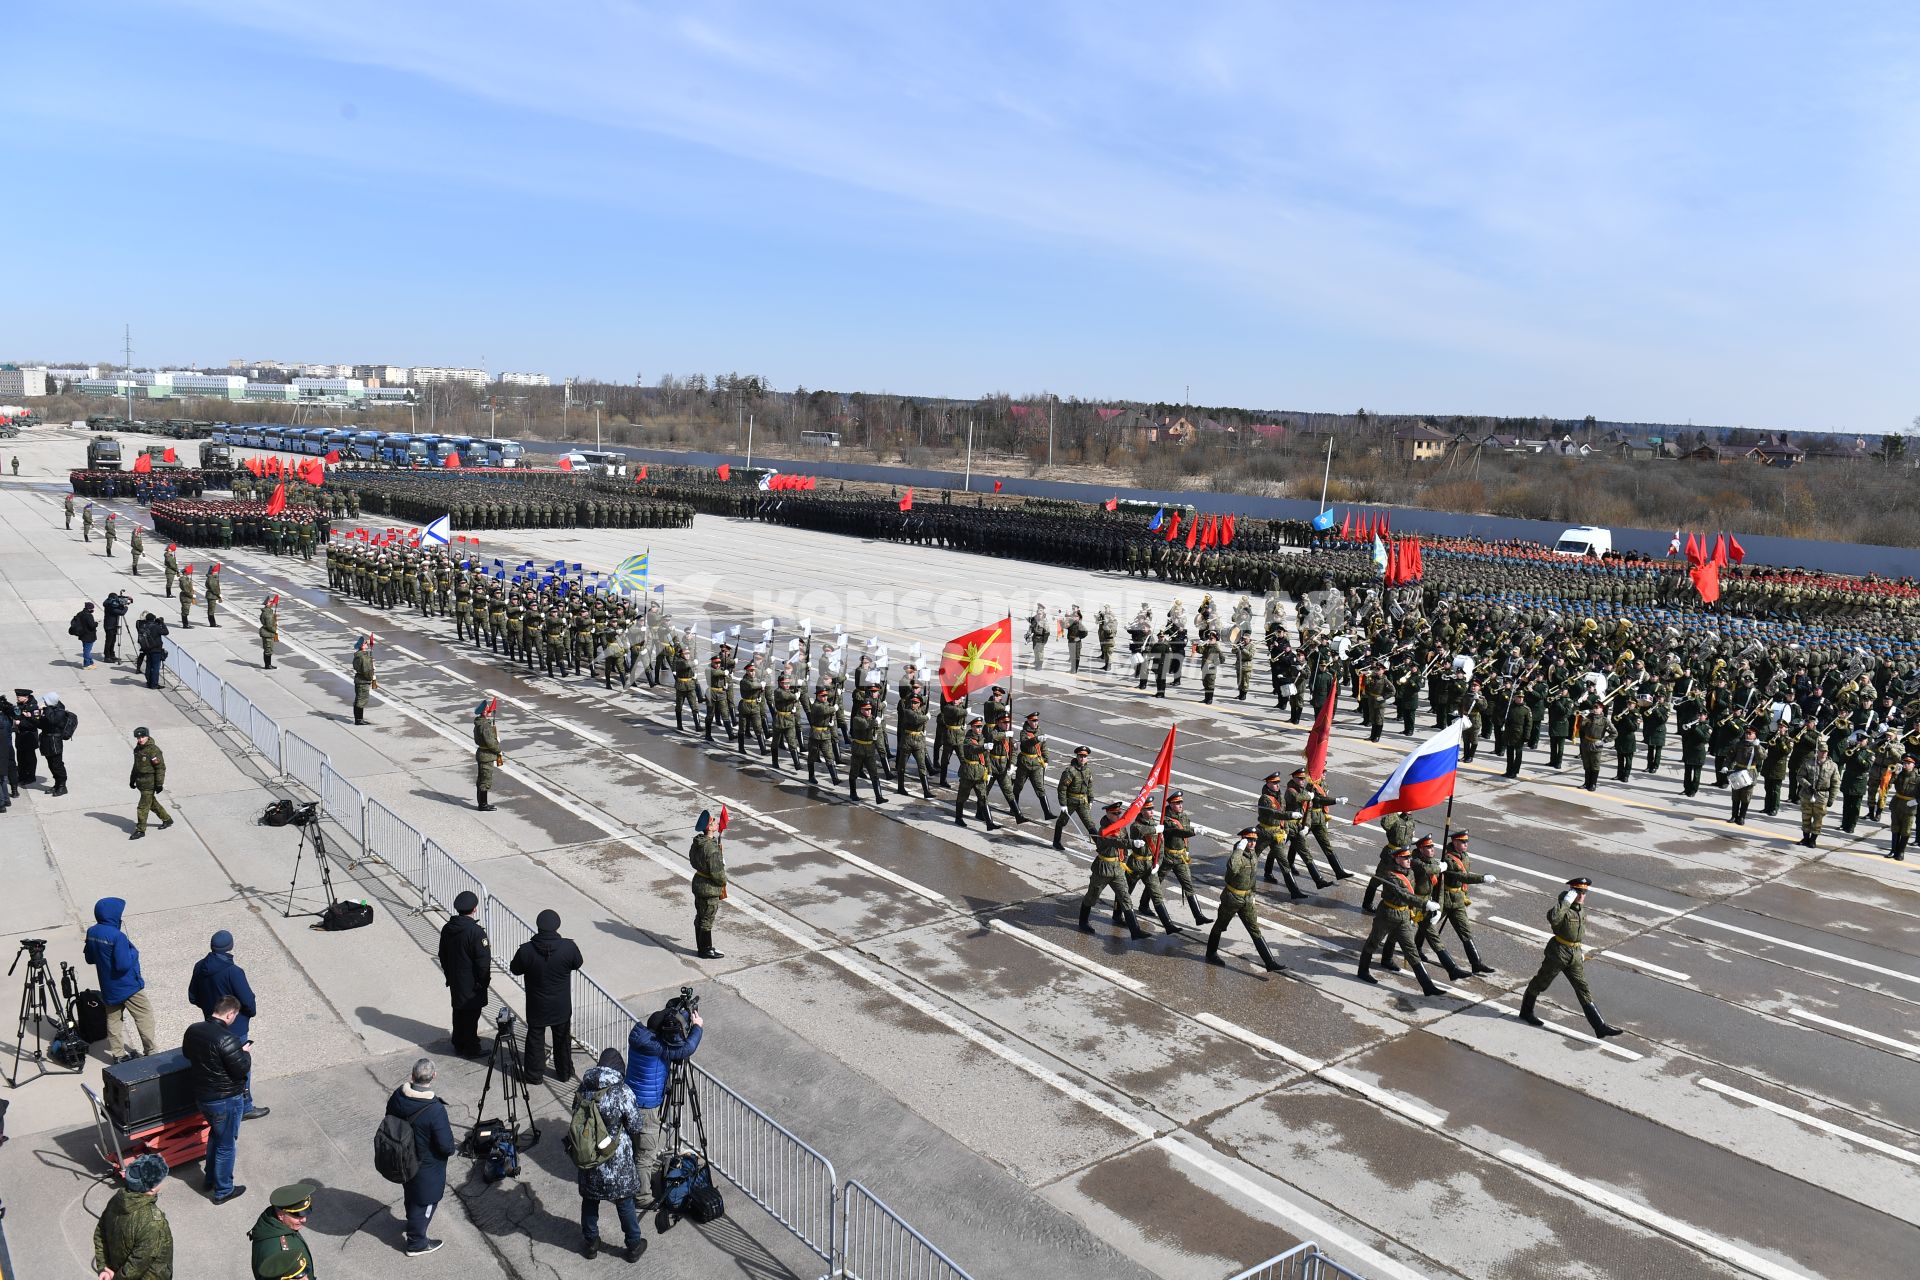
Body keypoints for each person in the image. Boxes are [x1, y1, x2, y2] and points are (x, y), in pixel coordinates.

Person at [625, 996, 705, 1212]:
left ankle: (631, 1179)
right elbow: (686, 1049)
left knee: (634, 1146)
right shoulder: (660, 1048)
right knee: (645, 1155)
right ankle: (642, 1197)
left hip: (629, 1099)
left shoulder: (640, 1036)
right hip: (646, 1106)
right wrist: (697, 1028)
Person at [1518, 877, 1623, 1039]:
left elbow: (1577, 933)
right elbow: (1553, 918)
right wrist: (1566, 901)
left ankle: (1600, 1026)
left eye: (1585, 892)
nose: (1582, 895)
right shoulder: (1562, 908)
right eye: (1579, 891)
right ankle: (1526, 1012)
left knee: (1583, 988)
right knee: (1541, 982)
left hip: (1574, 954)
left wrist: (1579, 949)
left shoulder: (1581, 910)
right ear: (1571, 892)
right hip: (1558, 952)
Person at [572, 1050, 649, 1262]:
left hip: (590, 1157)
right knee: (624, 1202)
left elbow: (576, 1116)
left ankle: (591, 1243)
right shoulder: (622, 1092)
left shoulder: (583, 1088)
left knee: (590, 1200)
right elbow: (635, 1125)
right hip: (616, 1158)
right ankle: (633, 1245)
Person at [188, 931, 267, 1120]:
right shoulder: (233, 971)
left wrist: (209, 1010)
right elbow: (248, 1000)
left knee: (218, 1066)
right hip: (236, 1028)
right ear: (230, 947)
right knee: (241, 1066)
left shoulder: (200, 966)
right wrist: (247, 1014)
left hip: (212, 1025)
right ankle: (245, 1106)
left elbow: (193, 997)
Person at [183, 994, 251, 1204]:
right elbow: (242, 1068)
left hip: (203, 1098)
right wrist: (245, 1053)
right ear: (230, 1013)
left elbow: (187, 1053)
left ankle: (210, 1178)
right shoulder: (227, 1039)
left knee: (216, 1135)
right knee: (226, 1145)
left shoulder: (194, 1030)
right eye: (235, 1016)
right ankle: (223, 1190)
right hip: (225, 1100)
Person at [385, 1059, 455, 1256]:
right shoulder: (435, 1109)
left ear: (412, 1076)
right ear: (434, 1076)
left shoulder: (398, 1096)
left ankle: (412, 1222)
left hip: (401, 1157)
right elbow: (446, 1146)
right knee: (426, 1202)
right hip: (425, 1165)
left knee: (411, 1193)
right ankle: (416, 1243)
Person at [510, 908, 583, 1082]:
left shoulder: (527, 950)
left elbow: (515, 968)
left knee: (535, 1040)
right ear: (557, 926)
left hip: (537, 1005)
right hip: (561, 1005)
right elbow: (577, 963)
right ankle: (564, 1073)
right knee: (562, 1039)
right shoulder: (568, 947)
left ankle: (534, 1076)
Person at [85, 897, 157, 1062]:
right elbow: (123, 965)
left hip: (108, 987)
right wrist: (134, 952)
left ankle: (118, 1055)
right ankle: (151, 1051)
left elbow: (89, 958)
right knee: (144, 1016)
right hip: (128, 986)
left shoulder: (92, 932)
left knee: (114, 1019)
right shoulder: (118, 936)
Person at [1204, 829, 1283, 971]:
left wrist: (1253, 894)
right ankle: (1211, 953)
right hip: (1232, 898)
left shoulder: (1252, 855)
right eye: (1248, 840)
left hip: (1246, 898)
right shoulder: (1237, 855)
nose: (1252, 843)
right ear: (1242, 840)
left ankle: (1270, 962)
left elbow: (1252, 878)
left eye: (1254, 840)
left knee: (1254, 929)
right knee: (1220, 926)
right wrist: (1239, 849)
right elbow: (1233, 868)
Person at [91, 1151, 173, 1280]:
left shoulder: (116, 1201)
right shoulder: (153, 1221)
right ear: (152, 1189)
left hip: (116, 1270)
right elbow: (139, 1263)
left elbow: (100, 1233)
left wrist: (104, 1267)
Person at [438, 891, 491, 1056]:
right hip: (472, 983)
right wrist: (483, 982)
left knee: (459, 1011)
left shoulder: (448, 928)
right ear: (474, 909)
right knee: (471, 1015)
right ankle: (471, 1048)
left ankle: (459, 1043)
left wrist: (449, 975)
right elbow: (483, 962)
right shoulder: (476, 932)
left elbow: (442, 954)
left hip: (456, 979)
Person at [247, 1185, 316, 1279]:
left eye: (305, 1214)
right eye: (297, 1216)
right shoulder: (282, 1252)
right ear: (281, 1215)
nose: (304, 1219)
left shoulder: (271, 1223)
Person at [689, 808, 727, 959]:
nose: (716, 823)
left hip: (698, 882)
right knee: (707, 919)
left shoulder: (697, 842)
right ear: (709, 827)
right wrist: (723, 881)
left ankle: (701, 947)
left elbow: (692, 860)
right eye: (714, 821)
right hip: (709, 888)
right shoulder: (711, 848)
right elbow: (718, 874)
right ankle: (705, 949)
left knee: (700, 916)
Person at [128, 727, 172, 840]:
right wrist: (132, 779)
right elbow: (136, 766)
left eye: (142, 737)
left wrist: (159, 784)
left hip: (150, 783)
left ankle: (140, 830)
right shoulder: (137, 749)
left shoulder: (154, 750)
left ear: (147, 736)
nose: (140, 739)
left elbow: (160, 768)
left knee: (142, 807)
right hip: (140, 782)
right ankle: (167, 819)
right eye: (138, 737)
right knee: (151, 803)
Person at [37, 691, 73, 796]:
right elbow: (43, 725)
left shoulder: (59, 711)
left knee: (57, 764)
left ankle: (62, 786)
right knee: (51, 764)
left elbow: (52, 721)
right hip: (47, 740)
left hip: (54, 742)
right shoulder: (50, 710)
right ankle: (57, 784)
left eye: (45, 701)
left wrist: (46, 709)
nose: (43, 702)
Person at [472, 697, 502, 811]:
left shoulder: (479, 724)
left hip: (482, 753)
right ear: (484, 712)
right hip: (486, 755)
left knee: (481, 780)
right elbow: (490, 743)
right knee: (485, 781)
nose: (489, 712)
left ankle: (481, 803)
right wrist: (498, 748)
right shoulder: (485, 726)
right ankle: (483, 805)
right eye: (488, 710)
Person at [136, 614, 169, 689]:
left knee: (149, 666)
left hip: (147, 649)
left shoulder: (143, 626)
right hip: (156, 649)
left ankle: (149, 682)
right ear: (153, 619)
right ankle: (154, 684)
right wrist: (162, 623)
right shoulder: (156, 626)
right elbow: (166, 632)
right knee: (155, 668)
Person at [352, 633, 377, 725]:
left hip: (358, 679)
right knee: (361, 701)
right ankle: (359, 720)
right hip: (363, 681)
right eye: (365, 644)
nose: (367, 645)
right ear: (362, 646)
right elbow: (367, 671)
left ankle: (358, 719)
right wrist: (371, 677)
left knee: (358, 700)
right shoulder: (364, 658)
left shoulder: (357, 655)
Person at [103, 590, 133, 663]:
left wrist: (126, 598)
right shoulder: (111, 606)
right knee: (109, 641)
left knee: (113, 641)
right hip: (109, 626)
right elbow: (122, 613)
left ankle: (112, 655)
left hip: (114, 625)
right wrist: (125, 607)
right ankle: (107, 657)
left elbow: (118, 598)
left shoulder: (111, 602)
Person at [70, 601, 100, 668]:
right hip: (89, 636)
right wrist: (96, 623)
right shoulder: (89, 616)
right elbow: (92, 625)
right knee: (87, 650)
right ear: (89, 609)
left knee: (86, 649)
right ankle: (87, 664)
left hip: (82, 635)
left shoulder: (80, 614)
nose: (93, 610)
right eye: (92, 608)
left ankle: (90, 662)